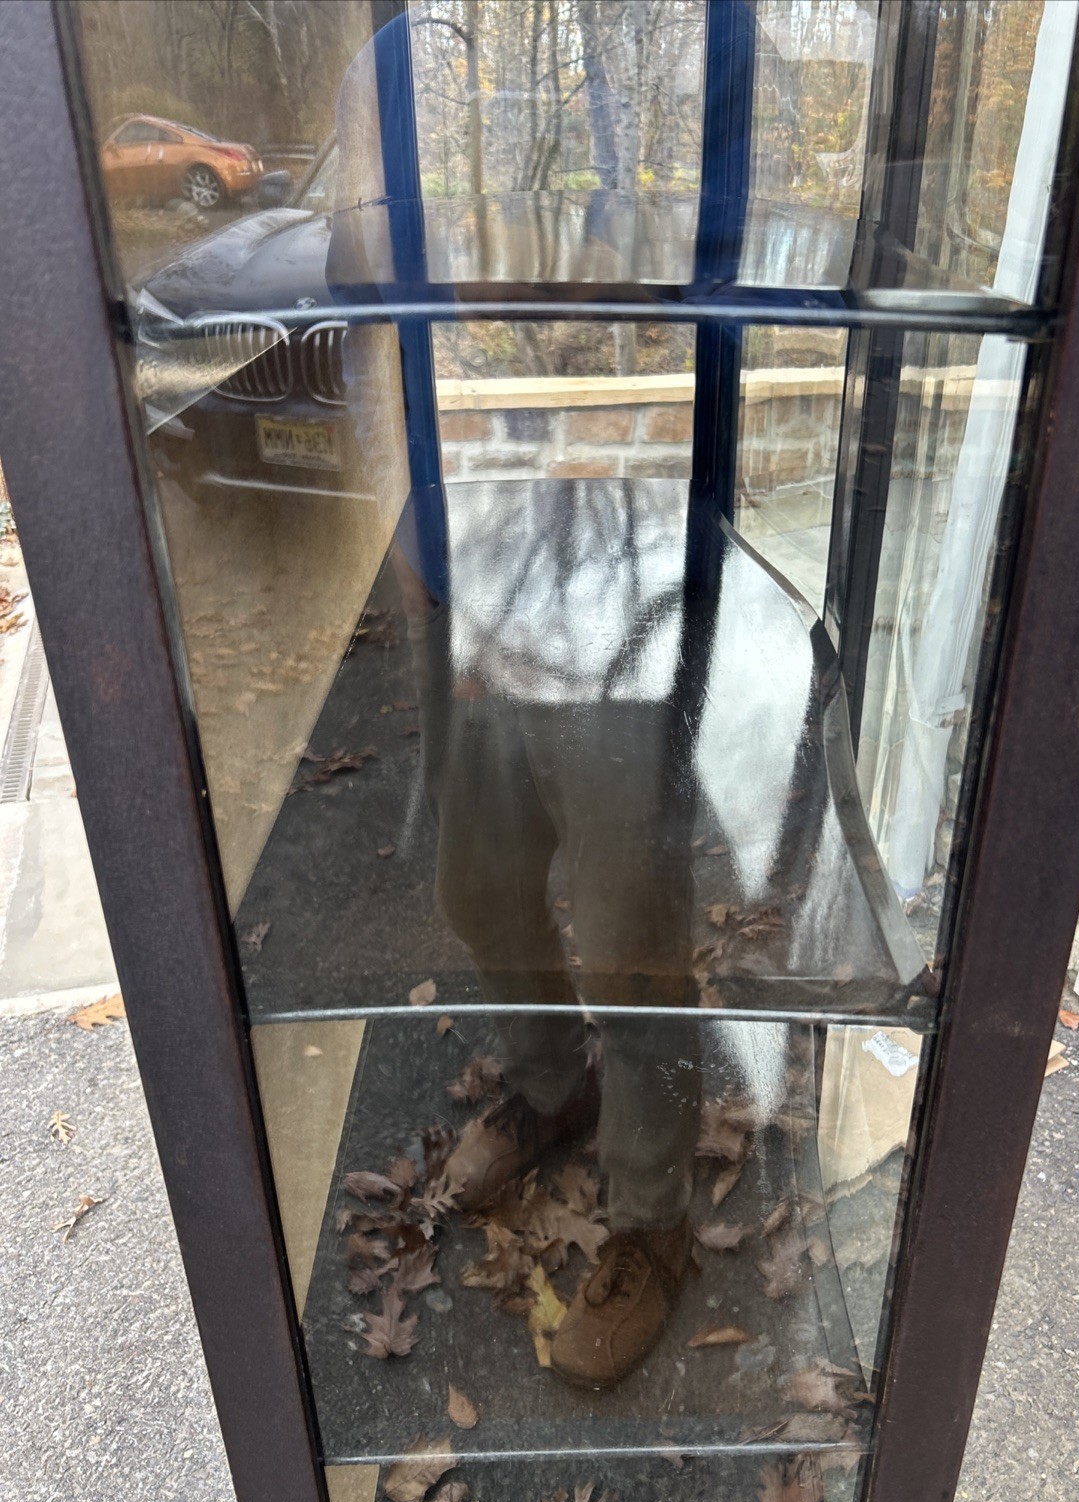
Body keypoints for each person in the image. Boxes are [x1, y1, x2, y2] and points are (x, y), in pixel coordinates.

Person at [328, 16, 702, 1388]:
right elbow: (371, 312)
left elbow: (687, 303)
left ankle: (656, 1221)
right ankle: (556, 1086)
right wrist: (407, 532)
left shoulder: (644, 47)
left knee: (632, 927)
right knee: (480, 884)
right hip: (469, 573)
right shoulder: (396, 51)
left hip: (611, 583)